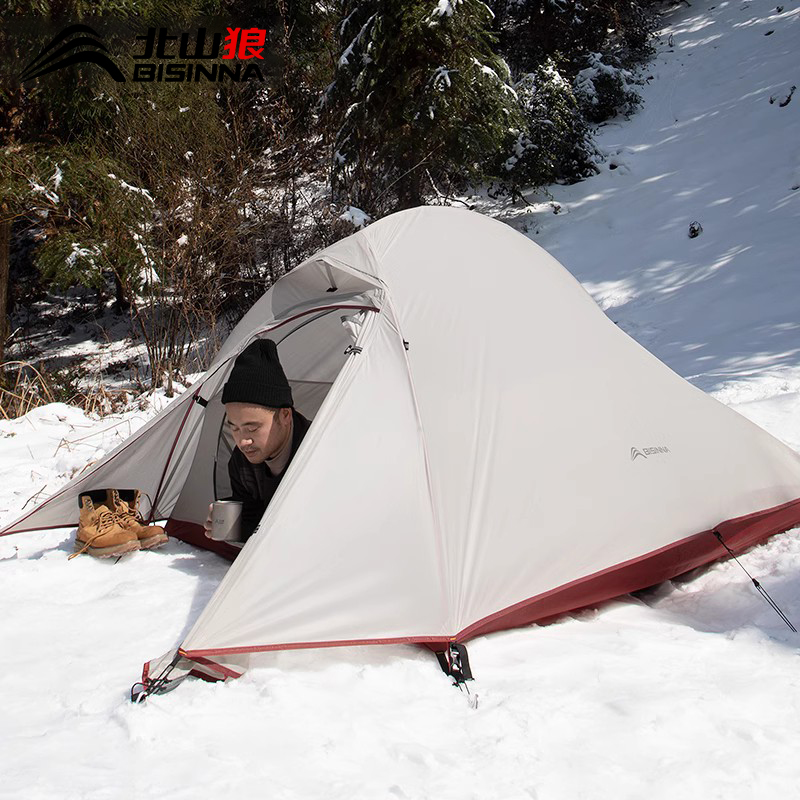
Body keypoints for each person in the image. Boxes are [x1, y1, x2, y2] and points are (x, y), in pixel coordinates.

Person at [204, 338, 311, 541]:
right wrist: (232, 524)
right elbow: (255, 516)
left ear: (285, 416)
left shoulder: (317, 450)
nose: (242, 442)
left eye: (252, 428)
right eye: (233, 428)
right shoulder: (241, 462)